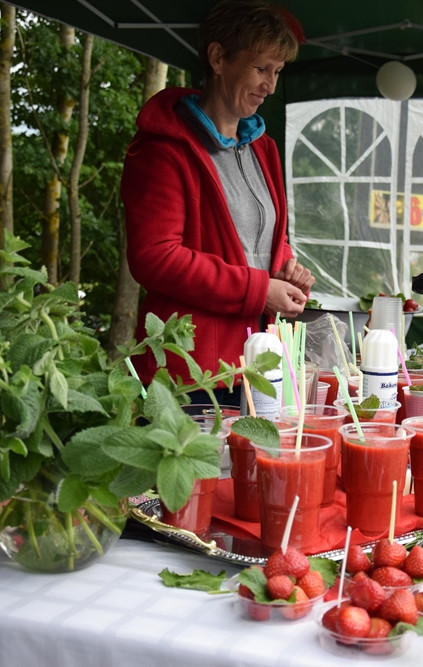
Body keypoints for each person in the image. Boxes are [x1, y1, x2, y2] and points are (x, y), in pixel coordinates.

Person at [121, 0, 314, 404]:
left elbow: (264, 236)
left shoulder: (263, 149)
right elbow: (154, 256)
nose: (271, 86)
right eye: (261, 68)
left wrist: (285, 267)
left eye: (277, 73)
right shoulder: (163, 149)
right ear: (218, 58)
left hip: (257, 362)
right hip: (190, 370)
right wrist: (259, 289)